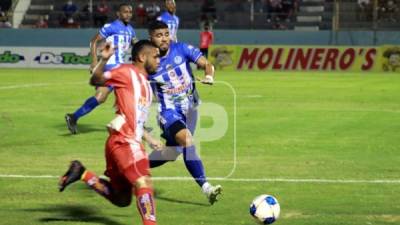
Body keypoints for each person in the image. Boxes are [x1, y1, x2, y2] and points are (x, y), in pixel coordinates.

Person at [59, 40, 160, 225]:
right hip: (125, 141)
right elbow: (95, 80)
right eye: (155, 56)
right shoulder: (127, 72)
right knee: (144, 182)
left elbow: (133, 117)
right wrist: (104, 60)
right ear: (142, 57)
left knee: (121, 199)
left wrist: (149, 138)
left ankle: (82, 173)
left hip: (123, 142)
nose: (158, 60)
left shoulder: (145, 84)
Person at [147, 21, 222, 205]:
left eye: (166, 34)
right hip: (168, 112)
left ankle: (132, 167)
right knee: (187, 140)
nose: (164, 38)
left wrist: (209, 76)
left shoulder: (181, 48)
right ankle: (207, 188)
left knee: (173, 153)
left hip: (191, 109)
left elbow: (207, 64)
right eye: (159, 35)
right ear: (151, 38)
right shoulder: (148, 62)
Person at [65, 3, 137, 134]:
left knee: (101, 97)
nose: (128, 14)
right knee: (132, 93)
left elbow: (136, 46)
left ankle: (73, 117)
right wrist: (94, 62)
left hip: (119, 68)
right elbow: (93, 42)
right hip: (111, 66)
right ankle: (136, 126)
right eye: (125, 12)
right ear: (118, 14)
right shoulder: (111, 27)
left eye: (130, 12)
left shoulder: (131, 30)